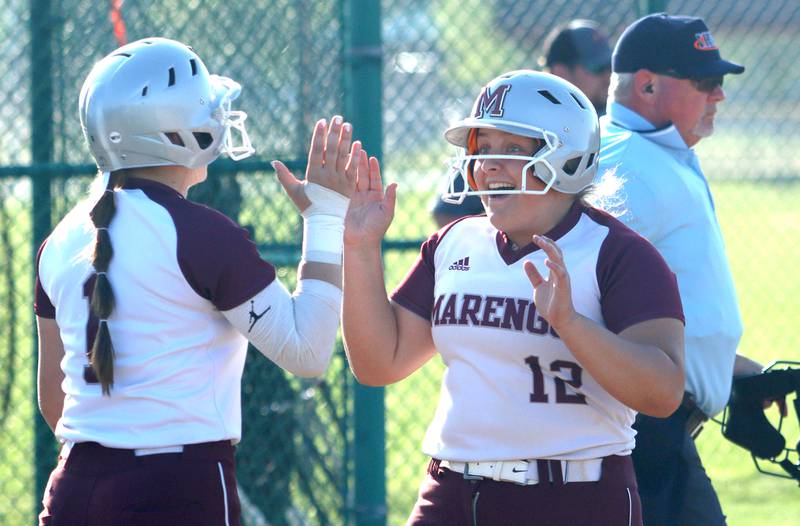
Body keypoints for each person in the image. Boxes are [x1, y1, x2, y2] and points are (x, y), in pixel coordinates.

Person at [34, 37, 357, 525]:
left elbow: (54, 401)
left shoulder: (59, 240)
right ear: (174, 131)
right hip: (177, 487)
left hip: (75, 486)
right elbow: (307, 351)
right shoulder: (200, 233)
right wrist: (327, 217)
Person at [342, 69, 686, 526]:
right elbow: (377, 363)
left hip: (571, 496)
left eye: (511, 149)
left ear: (566, 158)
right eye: (482, 151)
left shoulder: (617, 253)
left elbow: (663, 393)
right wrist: (360, 247)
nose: (487, 166)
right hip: (451, 490)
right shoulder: (454, 243)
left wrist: (572, 324)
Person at [598, 13, 773, 526]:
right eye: (706, 82)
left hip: (657, 426)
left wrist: (727, 368)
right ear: (648, 85)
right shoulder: (625, 166)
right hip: (638, 428)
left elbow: (647, 304)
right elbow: (588, 300)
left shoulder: (653, 153)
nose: (719, 95)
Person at [539, 19, 613, 116]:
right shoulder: (536, 121)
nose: (608, 77)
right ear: (560, 73)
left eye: (610, 66)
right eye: (598, 68)